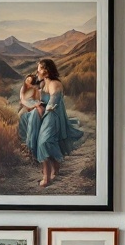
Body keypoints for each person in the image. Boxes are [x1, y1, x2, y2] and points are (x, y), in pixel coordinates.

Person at [25, 58, 84, 188]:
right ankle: (55, 165)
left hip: (53, 116)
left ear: (47, 71)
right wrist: (36, 105)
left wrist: (40, 107)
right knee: (38, 139)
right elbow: (33, 98)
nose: (37, 71)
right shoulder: (43, 83)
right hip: (43, 114)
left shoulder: (55, 84)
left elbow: (53, 105)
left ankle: (46, 177)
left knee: (43, 142)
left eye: (40, 68)